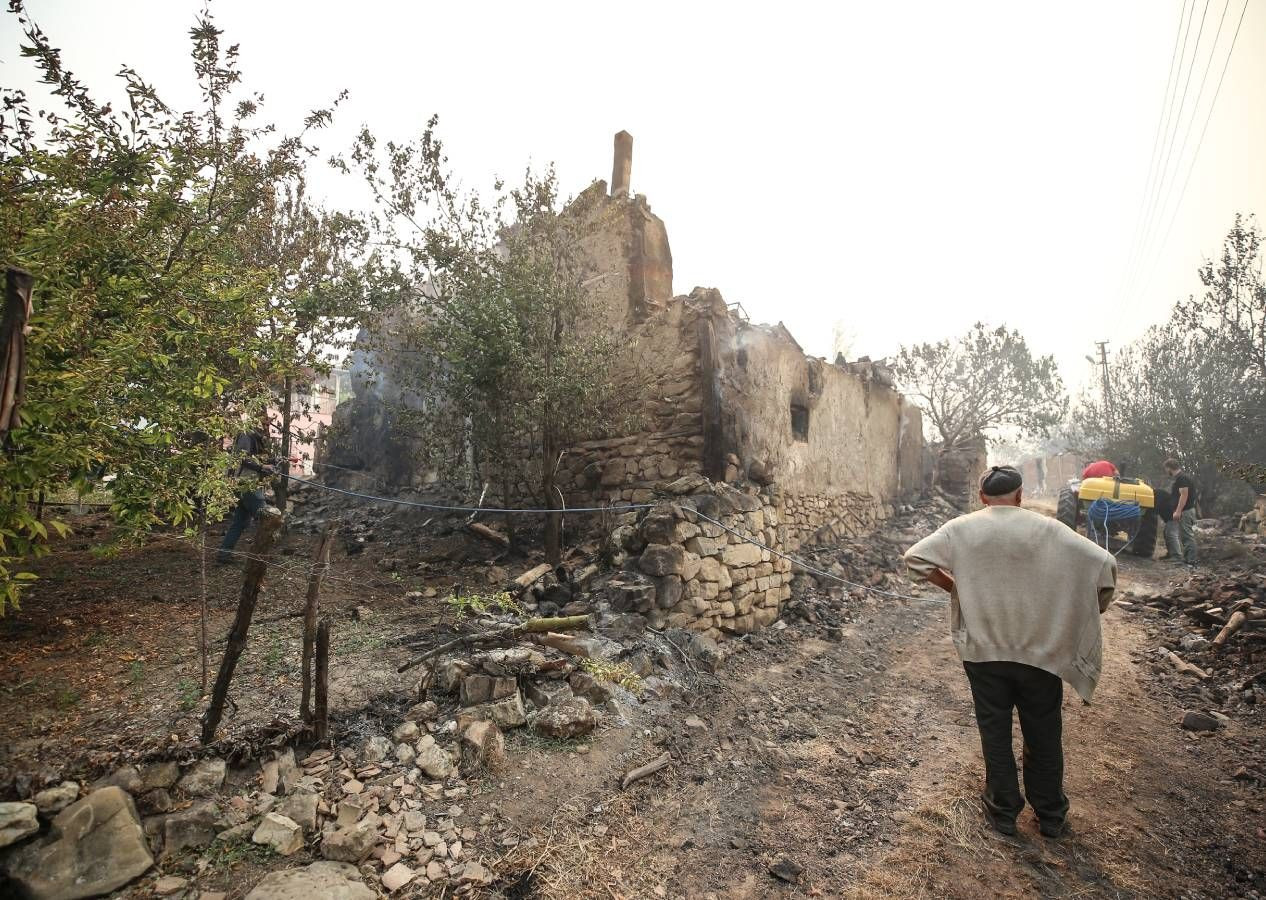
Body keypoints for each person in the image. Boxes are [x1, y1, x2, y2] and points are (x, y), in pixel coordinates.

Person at [903, 465, 1117, 839]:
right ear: (1020, 496)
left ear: (983, 497)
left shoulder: (961, 529)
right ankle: (1051, 816)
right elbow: (1105, 566)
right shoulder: (1050, 530)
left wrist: (953, 586)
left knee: (995, 730)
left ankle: (1003, 813)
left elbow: (915, 559)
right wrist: (1088, 607)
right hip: (1040, 653)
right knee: (1044, 731)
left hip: (984, 653)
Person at [217, 429, 276, 563]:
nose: (267, 423)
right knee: (266, 520)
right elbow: (242, 458)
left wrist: (274, 461)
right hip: (247, 484)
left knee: (240, 522)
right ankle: (260, 557)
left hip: (248, 484)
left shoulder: (255, 436)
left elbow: (256, 458)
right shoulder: (246, 434)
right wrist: (262, 467)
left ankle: (224, 555)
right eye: (265, 421)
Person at [1163, 458, 1198, 566]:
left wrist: (1178, 511)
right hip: (1186, 510)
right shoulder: (1181, 478)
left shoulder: (1182, 478)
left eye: (1166, 469)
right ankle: (1187, 559)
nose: (1166, 472)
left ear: (1169, 468)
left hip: (1186, 511)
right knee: (1184, 536)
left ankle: (1191, 561)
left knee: (1187, 536)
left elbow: (1184, 495)